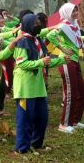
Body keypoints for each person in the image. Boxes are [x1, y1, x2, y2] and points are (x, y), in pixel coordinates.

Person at [13, 13, 68, 154]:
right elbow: (21, 64)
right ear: (28, 25)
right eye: (35, 23)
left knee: (42, 117)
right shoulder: (22, 42)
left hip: (38, 86)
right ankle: (21, 148)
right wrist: (40, 62)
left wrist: (62, 59)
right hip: (25, 87)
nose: (39, 25)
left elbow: (46, 60)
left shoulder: (38, 40)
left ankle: (36, 144)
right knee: (25, 119)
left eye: (39, 22)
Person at [46, 3, 84, 133]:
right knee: (71, 92)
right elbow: (50, 36)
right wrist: (62, 48)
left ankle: (74, 121)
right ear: (66, 13)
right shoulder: (64, 26)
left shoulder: (74, 25)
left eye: (76, 10)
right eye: (73, 11)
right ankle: (64, 124)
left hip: (74, 60)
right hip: (66, 60)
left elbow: (77, 39)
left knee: (82, 91)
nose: (75, 13)